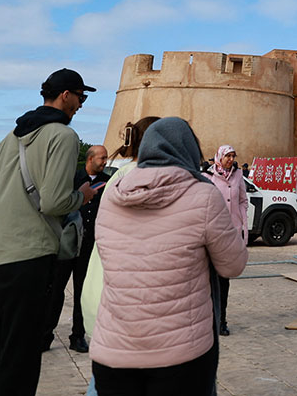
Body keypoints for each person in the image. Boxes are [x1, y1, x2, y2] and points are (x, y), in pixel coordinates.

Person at [0, 69, 97, 396]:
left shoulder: (10, 137)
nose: (81, 105)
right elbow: (55, 201)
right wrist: (82, 196)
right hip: (32, 258)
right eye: (81, 97)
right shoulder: (62, 136)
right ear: (65, 96)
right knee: (20, 355)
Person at [90, 118, 248, 396]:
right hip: (181, 355)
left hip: (114, 352)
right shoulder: (203, 195)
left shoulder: (112, 196)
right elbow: (233, 265)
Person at [80, 116, 159, 396]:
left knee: (104, 375)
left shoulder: (118, 176)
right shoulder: (151, 179)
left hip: (101, 293)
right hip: (129, 304)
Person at [43, 144, 111, 353]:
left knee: (83, 291)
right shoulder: (72, 180)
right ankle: (44, 334)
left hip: (90, 247)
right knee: (55, 291)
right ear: (90, 159)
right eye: (102, 158)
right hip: (68, 244)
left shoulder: (107, 183)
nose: (105, 161)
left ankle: (78, 335)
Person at [205, 144, 248, 336]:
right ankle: (207, 321)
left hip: (231, 234)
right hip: (212, 233)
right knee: (206, 280)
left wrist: (241, 218)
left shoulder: (238, 175)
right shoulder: (208, 176)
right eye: (227, 156)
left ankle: (221, 321)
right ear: (219, 157)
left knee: (224, 280)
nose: (230, 159)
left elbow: (242, 199)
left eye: (233, 156)